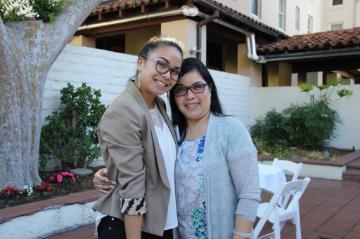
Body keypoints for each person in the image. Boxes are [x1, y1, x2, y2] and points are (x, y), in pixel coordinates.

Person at [94, 58, 260, 239]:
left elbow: (249, 194)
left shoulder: (231, 129)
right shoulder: (170, 133)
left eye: (198, 86)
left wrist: (240, 236)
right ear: (173, 96)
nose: (190, 96)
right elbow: (144, 169)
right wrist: (108, 174)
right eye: (181, 90)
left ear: (210, 88)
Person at [93, 36, 184, 239]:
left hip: (159, 222)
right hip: (129, 225)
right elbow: (132, 185)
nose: (168, 75)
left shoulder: (159, 106)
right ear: (141, 62)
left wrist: (110, 170)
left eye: (175, 71)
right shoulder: (125, 109)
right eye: (161, 64)